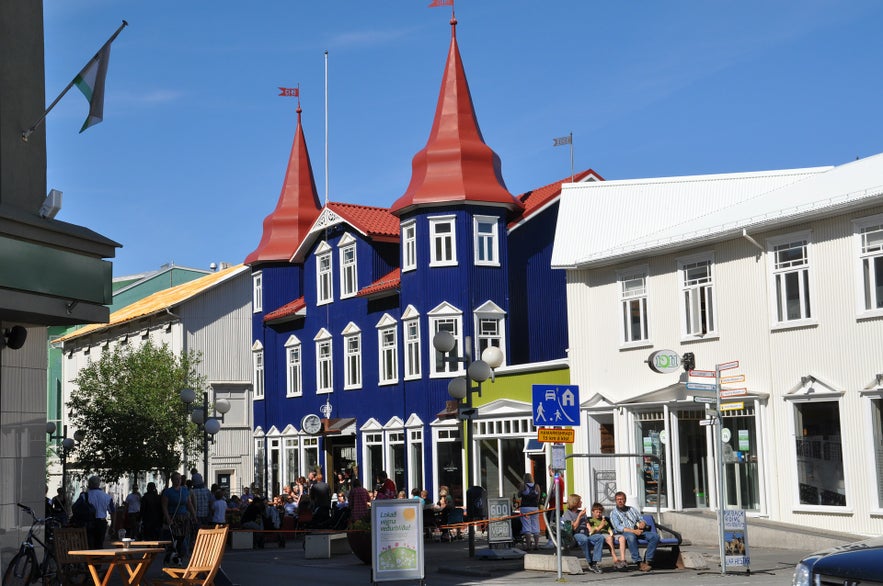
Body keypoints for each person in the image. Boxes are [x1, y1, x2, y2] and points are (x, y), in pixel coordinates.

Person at [609, 491, 659, 572]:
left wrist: (642, 523)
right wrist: (633, 531)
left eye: (621, 499)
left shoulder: (631, 509)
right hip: (625, 533)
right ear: (615, 501)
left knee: (655, 536)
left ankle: (648, 561)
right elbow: (618, 527)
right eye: (618, 499)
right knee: (631, 537)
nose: (620, 501)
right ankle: (639, 562)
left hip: (638, 530)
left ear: (625, 500)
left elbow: (640, 518)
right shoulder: (613, 513)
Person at [562, 494, 604, 573]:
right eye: (579, 501)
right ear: (575, 502)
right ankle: (590, 562)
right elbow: (573, 527)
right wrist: (579, 516)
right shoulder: (568, 513)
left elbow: (588, 526)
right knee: (584, 539)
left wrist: (596, 529)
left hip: (586, 533)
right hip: (577, 534)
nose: (581, 502)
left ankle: (595, 562)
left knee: (600, 537)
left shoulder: (582, 513)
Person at [162, 472, 197, 562]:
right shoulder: (168, 492)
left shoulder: (185, 490)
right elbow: (164, 507)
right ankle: (177, 554)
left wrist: (194, 515)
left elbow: (189, 504)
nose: (178, 481)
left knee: (185, 536)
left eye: (179, 479)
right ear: (172, 480)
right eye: (176, 479)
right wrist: (168, 519)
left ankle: (181, 554)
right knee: (176, 537)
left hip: (184, 517)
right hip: (174, 517)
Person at [86, 475, 115, 549]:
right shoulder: (107, 497)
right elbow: (113, 512)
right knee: (99, 543)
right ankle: (98, 558)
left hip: (88, 522)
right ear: (98, 484)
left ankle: (90, 558)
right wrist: (112, 526)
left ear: (90, 484)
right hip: (101, 523)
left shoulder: (85, 496)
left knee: (89, 543)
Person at [517, 473, 542, 550]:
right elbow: (538, 498)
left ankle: (528, 546)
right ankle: (536, 545)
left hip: (525, 508)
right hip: (534, 507)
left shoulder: (523, 485)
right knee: (535, 526)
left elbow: (519, 495)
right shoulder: (536, 486)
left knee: (526, 527)